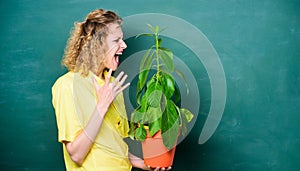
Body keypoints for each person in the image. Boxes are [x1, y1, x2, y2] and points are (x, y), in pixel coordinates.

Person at [51, 9, 172, 171]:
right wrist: (102, 105)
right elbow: (76, 155)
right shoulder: (68, 85)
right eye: (116, 40)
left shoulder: (113, 84)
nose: (124, 45)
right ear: (96, 45)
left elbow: (116, 144)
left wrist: (144, 164)